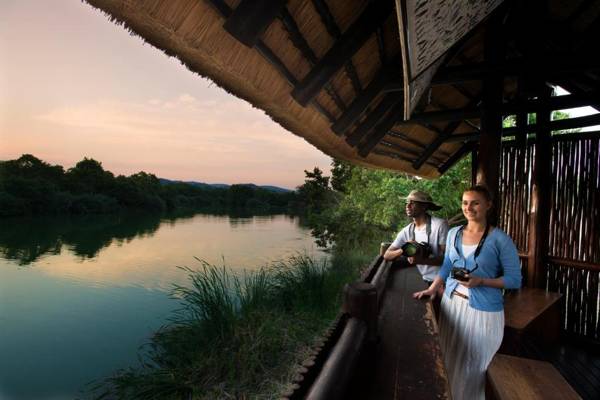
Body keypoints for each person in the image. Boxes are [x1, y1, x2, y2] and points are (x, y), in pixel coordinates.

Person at [413, 185, 522, 400]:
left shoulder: (500, 239)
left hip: (483, 314)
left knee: (473, 369)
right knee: (447, 361)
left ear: (488, 205)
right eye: (465, 202)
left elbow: (514, 280)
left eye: (475, 202)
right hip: (452, 306)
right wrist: (433, 288)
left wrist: (482, 281)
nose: (468, 207)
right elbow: (446, 266)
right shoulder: (454, 234)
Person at [383, 190, 449, 285]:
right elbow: (387, 255)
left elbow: (450, 258)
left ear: (424, 206)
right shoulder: (407, 231)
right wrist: (405, 249)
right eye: (407, 203)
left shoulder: (439, 225)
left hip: (444, 280)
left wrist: (422, 261)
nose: (407, 206)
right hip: (425, 279)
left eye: (412, 203)